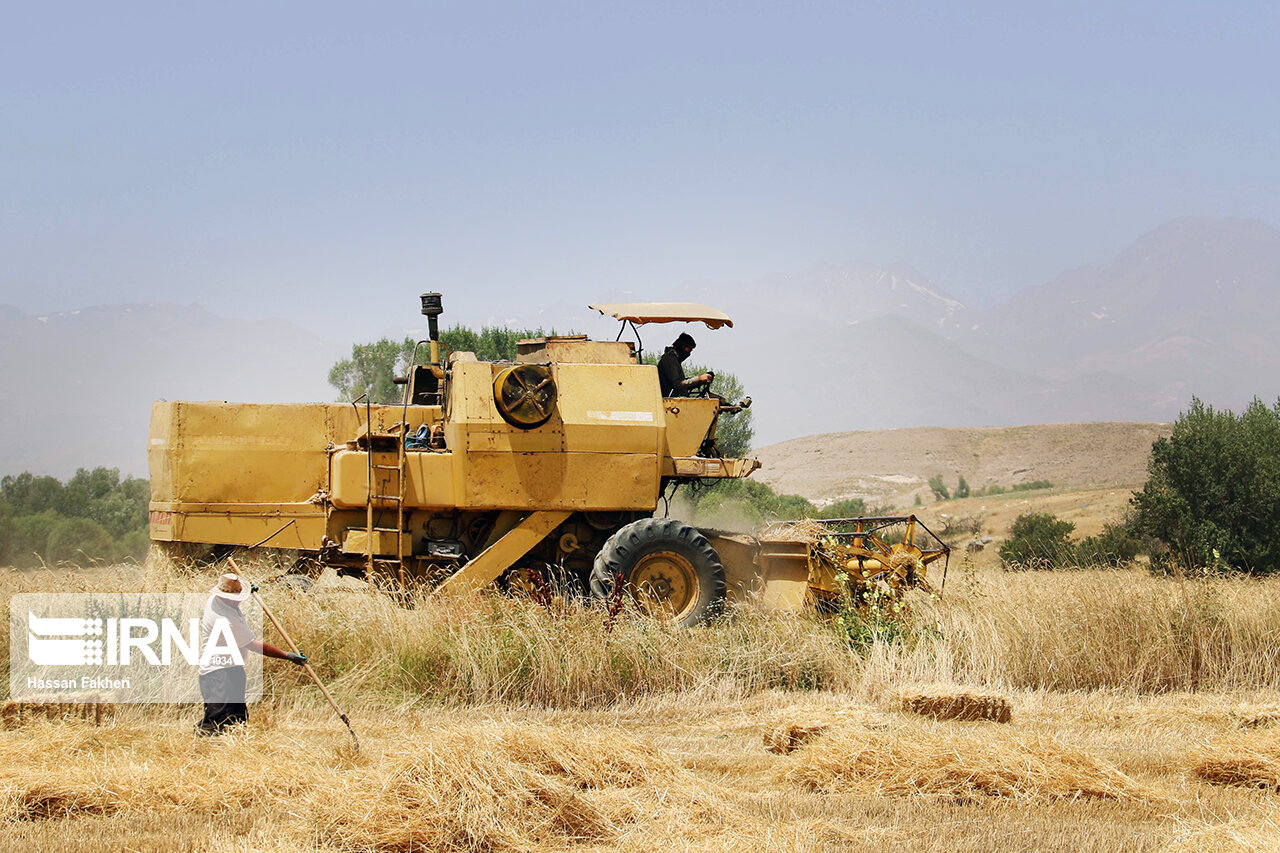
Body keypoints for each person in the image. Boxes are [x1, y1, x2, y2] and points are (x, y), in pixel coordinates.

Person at [197, 572, 307, 734]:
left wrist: (247, 591)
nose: (240, 600)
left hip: (232, 668)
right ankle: (202, 752)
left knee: (237, 720)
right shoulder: (225, 620)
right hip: (217, 672)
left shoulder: (216, 599)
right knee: (215, 723)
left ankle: (232, 754)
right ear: (228, 598)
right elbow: (254, 645)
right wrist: (286, 655)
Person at [657, 332, 714, 397]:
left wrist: (699, 382)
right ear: (682, 346)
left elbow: (683, 385)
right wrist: (699, 379)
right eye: (689, 349)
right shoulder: (670, 359)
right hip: (671, 402)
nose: (689, 353)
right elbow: (678, 384)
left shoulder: (675, 359)